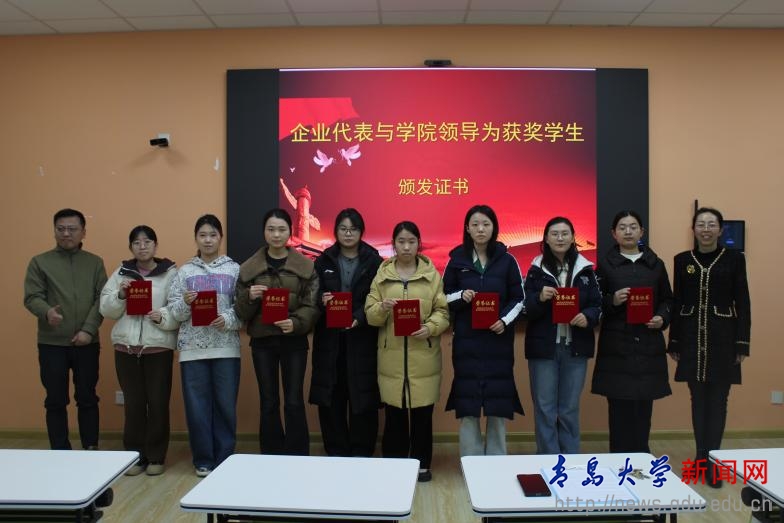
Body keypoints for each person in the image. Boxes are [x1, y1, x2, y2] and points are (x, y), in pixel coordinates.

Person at [667, 207, 750, 488]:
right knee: (698, 400)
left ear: (720, 229)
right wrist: (674, 340)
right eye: (701, 224)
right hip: (691, 338)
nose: (705, 229)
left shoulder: (734, 259)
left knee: (718, 401)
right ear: (693, 229)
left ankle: (714, 461)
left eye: (711, 224)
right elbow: (678, 302)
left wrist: (742, 343)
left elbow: (743, 302)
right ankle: (700, 457)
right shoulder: (682, 260)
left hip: (723, 339)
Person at [365, 221, 449, 482]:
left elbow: (443, 312)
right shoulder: (382, 276)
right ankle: (396, 466)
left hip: (423, 357)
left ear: (418, 244)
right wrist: (382, 308)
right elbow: (370, 316)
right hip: (391, 359)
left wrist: (430, 328)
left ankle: (422, 465)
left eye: (411, 241)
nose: (406, 247)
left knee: (423, 416)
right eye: (401, 241)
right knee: (395, 415)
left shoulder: (431, 276)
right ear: (394, 244)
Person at [159, 215, 242, 477]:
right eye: (202, 235)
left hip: (226, 347)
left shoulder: (234, 270)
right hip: (192, 349)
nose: (208, 240)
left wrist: (227, 319)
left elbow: (242, 308)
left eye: (213, 235)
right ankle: (203, 459)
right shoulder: (184, 272)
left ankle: (225, 458)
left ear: (221, 238)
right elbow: (174, 312)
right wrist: (185, 302)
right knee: (197, 408)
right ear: (196, 238)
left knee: (225, 405)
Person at [234, 208, 319, 456]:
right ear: (264, 232)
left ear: (290, 232)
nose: (276, 234)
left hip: (294, 341)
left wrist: (296, 323)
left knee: (293, 400)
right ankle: (271, 454)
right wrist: (249, 297)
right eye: (271, 229)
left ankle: (297, 454)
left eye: (282, 229)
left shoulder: (306, 266)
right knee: (269, 401)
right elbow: (241, 311)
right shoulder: (249, 269)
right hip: (262, 341)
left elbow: (312, 305)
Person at [443, 205, 525, 456]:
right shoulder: (456, 260)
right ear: (467, 228)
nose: (480, 229)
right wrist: (461, 295)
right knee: (467, 403)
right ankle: (471, 460)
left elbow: (519, 298)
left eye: (486, 224)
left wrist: (504, 321)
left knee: (497, 403)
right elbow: (442, 297)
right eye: (475, 224)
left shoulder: (507, 260)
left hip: (498, 342)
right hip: (466, 343)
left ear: (494, 228)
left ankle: (496, 460)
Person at [24, 208, 107, 450]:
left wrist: (88, 330)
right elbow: (32, 296)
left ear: (83, 232)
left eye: (72, 229)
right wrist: (46, 312)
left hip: (87, 342)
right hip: (52, 343)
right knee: (55, 400)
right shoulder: (40, 262)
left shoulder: (94, 262)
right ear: (54, 231)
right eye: (61, 229)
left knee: (88, 397)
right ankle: (60, 451)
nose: (66, 234)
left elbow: (101, 299)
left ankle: (90, 448)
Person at [591, 211, 673, 454]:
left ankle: (642, 460)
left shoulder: (656, 265)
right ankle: (619, 461)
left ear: (641, 232)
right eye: (622, 227)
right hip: (617, 346)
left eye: (633, 227)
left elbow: (668, 300)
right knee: (618, 411)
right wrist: (613, 300)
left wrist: (662, 317)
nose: (628, 231)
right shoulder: (605, 265)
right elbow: (594, 302)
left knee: (643, 410)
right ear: (613, 233)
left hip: (648, 345)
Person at [99, 225, 177, 476]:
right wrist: (121, 294)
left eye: (147, 242)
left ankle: (156, 456)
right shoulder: (122, 273)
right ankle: (134, 456)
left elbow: (178, 309)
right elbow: (106, 309)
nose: (142, 247)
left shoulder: (170, 273)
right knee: (133, 404)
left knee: (157, 403)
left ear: (155, 245)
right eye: (137, 243)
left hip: (158, 347)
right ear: (131, 247)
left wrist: (162, 316)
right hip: (126, 348)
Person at [523, 216, 601, 455]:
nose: (560, 238)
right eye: (554, 234)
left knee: (569, 408)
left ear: (573, 238)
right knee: (545, 408)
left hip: (576, 347)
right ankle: (547, 459)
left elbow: (597, 305)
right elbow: (525, 308)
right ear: (546, 238)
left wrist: (587, 316)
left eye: (565, 233)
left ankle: (570, 460)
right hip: (543, 348)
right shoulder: (535, 271)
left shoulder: (586, 270)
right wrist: (539, 298)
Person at [309, 209, 383, 457]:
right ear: (336, 231)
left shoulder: (374, 261)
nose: (348, 233)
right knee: (332, 395)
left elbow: (377, 297)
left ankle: (362, 451)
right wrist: (322, 300)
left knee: (362, 394)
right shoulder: (324, 260)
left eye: (353, 229)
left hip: (362, 337)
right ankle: (336, 451)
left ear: (361, 232)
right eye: (343, 229)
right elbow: (312, 295)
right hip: (330, 340)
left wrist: (359, 317)